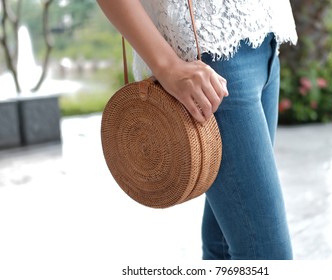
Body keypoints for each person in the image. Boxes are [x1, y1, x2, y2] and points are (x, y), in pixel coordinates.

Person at [97, 0, 297, 260]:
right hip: (209, 59)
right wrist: (168, 66)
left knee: (225, 247)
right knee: (267, 256)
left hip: (265, 38)